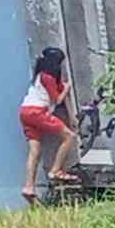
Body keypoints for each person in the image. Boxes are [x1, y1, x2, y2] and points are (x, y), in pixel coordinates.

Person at [19, 46, 77, 201]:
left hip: (25, 112)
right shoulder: (48, 78)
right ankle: (56, 170)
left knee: (35, 151)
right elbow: (57, 99)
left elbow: (64, 96)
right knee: (69, 137)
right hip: (37, 112)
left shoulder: (39, 76)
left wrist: (72, 117)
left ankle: (29, 187)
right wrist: (67, 87)